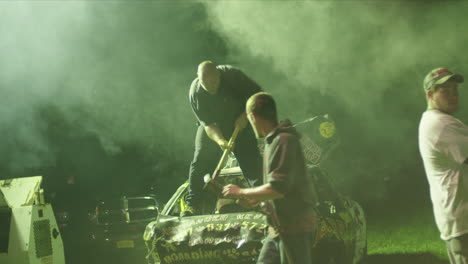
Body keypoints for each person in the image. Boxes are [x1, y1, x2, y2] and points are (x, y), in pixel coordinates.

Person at [222, 92, 318, 264]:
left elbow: (278, 188)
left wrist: (241, 191)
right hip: (278, 228)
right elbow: (277, 193)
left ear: (252, 117)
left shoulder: (284, 141)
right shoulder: (272, 142)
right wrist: (254, 200)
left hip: (294, 227)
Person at [183, 61, 263, 216]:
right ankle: (193, 205)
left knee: (250, 160)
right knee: (199, 159)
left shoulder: (233, 76)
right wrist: (220, 141)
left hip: (241, 122)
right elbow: (208, 125)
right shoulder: (195, 92)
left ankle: (262, 200)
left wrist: (245, 116)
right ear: (198, 78)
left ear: (219, 75)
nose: (209, 86)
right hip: (214, 125)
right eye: (204, 82)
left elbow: (259, 96)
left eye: (213, 82)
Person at [419, 67, 468, 263]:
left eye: (455, 90)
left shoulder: (435, 121)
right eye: (444, 91)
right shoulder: (441, 125)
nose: (453, 95)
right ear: (430, 94)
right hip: (463, 224)